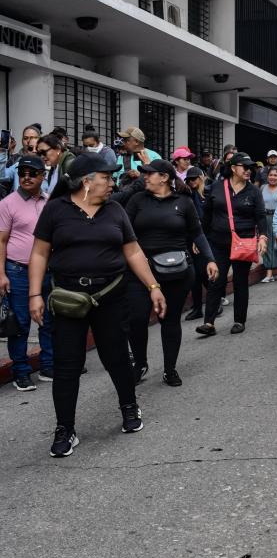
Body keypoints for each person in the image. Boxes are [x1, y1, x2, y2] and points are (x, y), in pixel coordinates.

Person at [28, 152, 168, 457]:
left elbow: (132, 252)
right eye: (106, 177)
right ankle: (65, 428)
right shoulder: (56, 211)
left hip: (110, 298)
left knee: (116, 357)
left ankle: (130, 409)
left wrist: (153, 286)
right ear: (86, 182)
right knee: (67, 366)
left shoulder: (115, 210)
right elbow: (39, 253)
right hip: (68, 300)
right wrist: (35, 294)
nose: (111, 183)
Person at [126, 160, 217, 386]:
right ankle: (140, 363)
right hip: (142, 271)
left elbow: (198, 234)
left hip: (176, 271)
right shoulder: (137, 200)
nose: (145, 177)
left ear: (165, 177)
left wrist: (210, 260)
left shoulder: (184, 203)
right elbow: (124, 233)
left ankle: (170, 369)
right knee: (136, 319)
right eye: (144, 174)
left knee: (170, 320)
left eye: (149, 174)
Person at [196, 153, 268, 336]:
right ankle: (209, 323)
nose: (248, 170)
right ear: (233, 168)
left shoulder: (253, 191)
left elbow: (260, 216)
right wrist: (200, 238)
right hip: (218, 243)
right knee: (216, 280)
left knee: (240, 281)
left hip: (243, 243)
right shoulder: (218, 187)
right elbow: (207, 215)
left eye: (250, 167)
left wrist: (263, 237)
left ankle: (239, 320)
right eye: (244, 166)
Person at [0, 155, 53, 391]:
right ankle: (20, 371)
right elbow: (1, 241)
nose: (27, 177)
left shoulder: (48, 202)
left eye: (32, 173)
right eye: (22, 173)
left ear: (43, 176)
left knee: (48, 319)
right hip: (17, 270)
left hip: (46, 271)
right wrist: (1, 274)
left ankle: (48, 365)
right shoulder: (7, 204)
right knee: (20, 323)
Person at [183, 167, 214, 321]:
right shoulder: (189, 194)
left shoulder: (209, 193)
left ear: (201, 178)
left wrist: (200, 239)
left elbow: (207, 219)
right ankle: (197, 308)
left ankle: (213, 303)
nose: (191, 182)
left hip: (205, 238)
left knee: (203, 273)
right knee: (194, 276)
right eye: (189, 179)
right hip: (191, 238)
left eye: (194, 178)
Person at [260, 166, 277, 282]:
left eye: (275, 175)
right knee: (266, 244)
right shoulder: (262, 188)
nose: (272, 177)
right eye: (270, 175)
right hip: (265, 218)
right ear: (267, 176)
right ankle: (269, 274)